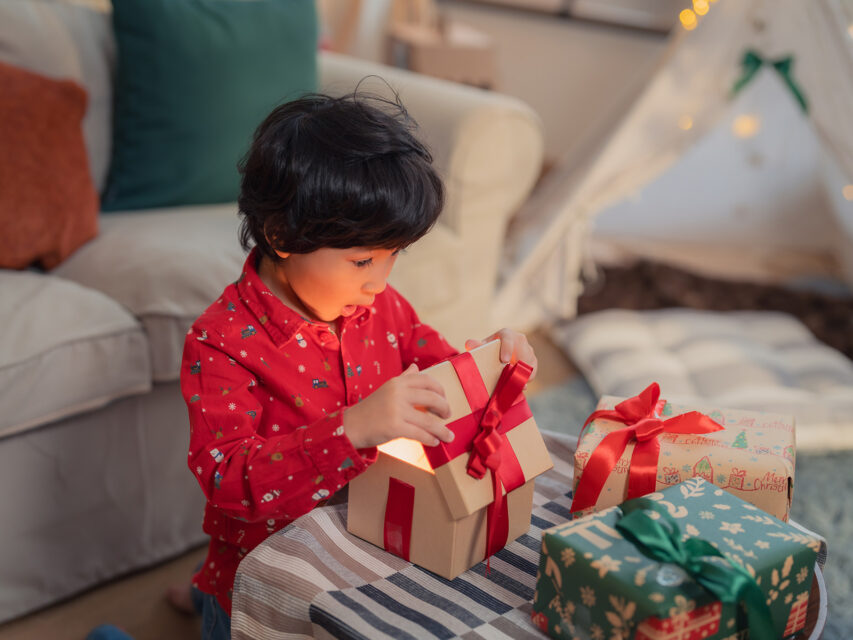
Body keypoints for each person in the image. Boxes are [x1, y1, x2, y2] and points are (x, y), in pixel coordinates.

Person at [179, 91, 537, 639]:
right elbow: (228, 480)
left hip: (363, 549)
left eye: (395, 255)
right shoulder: (220, 343)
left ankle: (192, 589)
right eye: (363, 260)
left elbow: (437, 367)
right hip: (263, 575)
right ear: (281, 237)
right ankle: (194, 596)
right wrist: (353, 428)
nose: (380, 280)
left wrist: (488, 361)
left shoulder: (378, 305)